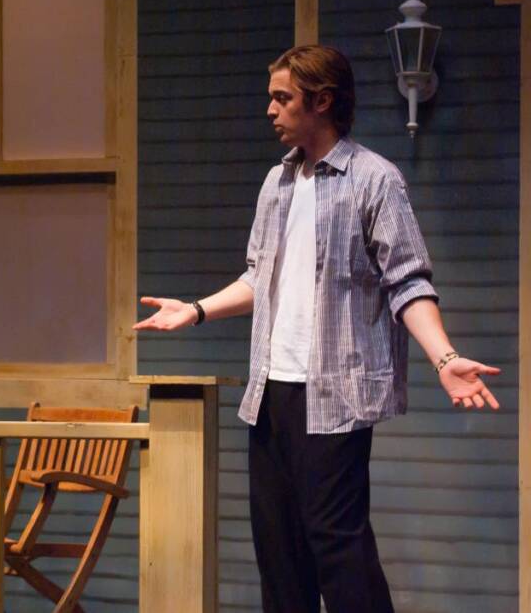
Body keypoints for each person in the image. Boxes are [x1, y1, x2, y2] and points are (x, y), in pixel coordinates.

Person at [133, 45, 500, 613]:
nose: (271, 110)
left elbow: (407, 282)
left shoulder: (373, 180)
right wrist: (197, 309)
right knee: (279, 554)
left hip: (335, 396)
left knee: (339, 550)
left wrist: (445, 358)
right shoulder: (276, 183)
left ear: (321, 101)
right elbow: (262, 276)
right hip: (270, 394)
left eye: (282, 98)